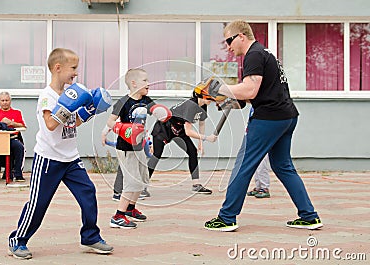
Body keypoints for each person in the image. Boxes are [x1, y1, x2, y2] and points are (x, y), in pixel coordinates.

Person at [204, 20, 322, 231]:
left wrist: (217, 88)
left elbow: (249, 91)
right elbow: (252, 95)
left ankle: (226, 217)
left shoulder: (254, 55)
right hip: (286, 117)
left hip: (269, 119)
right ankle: (309, 216)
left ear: (241, 36)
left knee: (243, 165)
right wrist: (224, 98)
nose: (228, 47)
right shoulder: (265, 54)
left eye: (229, 41)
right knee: (283, 166)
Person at [8, 48, 113, 259]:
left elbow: (74, 123)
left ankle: (90, 236)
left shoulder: (71, 94)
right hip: (48, 159)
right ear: (58, 68)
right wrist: (68, 106)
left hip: (71, 158)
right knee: (38, 204)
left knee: (88, 193)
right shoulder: (47, 96)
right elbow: (50, 124)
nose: (75, 73)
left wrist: (89, 110)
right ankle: (18, 239)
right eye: (72, 68)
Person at [111, 85, 219, 200]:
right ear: (200, 96)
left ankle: (196, 184)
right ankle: (143, 187)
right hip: (164, 128)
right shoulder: (191, 106)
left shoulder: (202, 106)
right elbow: (188, 132)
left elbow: (201, 123)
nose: (210, 101)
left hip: (179, 130)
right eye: (209, 99)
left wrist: (200, 143)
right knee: (157, 155)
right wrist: (207, 138)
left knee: (192, 151)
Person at [101, 68, 171, 229]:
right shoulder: (123, 102)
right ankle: (118, 215)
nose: (149, 83)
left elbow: (155, 110)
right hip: (126, 148)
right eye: (145, 80)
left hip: (139, 147)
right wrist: (123, 129)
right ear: (134, 83)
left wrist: (163, 113)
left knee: (143, 179)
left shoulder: (146, 100)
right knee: (132, 182)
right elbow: (110, 121)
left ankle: (130, 209)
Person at [0, 92, 27, 181]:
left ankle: (18, 173)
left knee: (19, 147)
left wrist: (12, 123)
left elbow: (23, 126)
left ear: (10, 101)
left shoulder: (17, 112)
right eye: (2, 100)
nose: (5, 102)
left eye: (7, 100)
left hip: (12, 139)